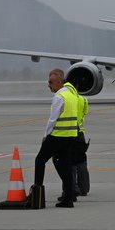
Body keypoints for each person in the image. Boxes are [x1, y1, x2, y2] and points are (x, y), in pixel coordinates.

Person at [33, 69, 78, 208]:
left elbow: (52, 119)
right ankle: (68, 199)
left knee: (40, 160)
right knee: (66, 167)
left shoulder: (59, 97)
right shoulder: (71, 95)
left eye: (51, 82)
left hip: (58, 136)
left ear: (59, 82)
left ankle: (37, 193)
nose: (49, 85)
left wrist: (45, 136)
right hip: (70, 136)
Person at [58, 79, 89, 198]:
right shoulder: (83, 99)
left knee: (69, 163)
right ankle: (84, 188)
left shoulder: (64, 96)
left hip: (68, 132)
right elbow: (85, 112)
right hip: (80, 132)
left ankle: (70, 189)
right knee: (81, 162)